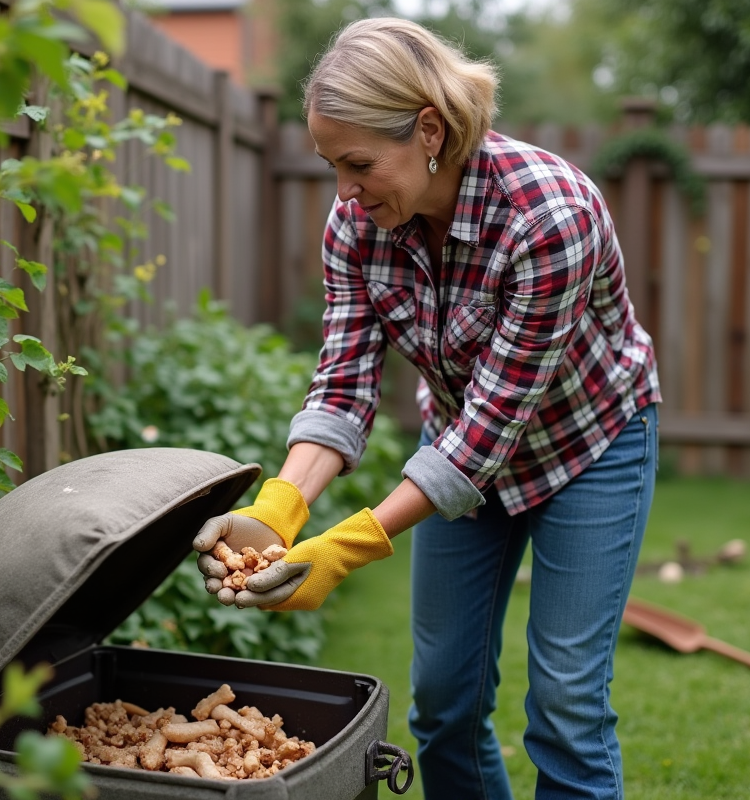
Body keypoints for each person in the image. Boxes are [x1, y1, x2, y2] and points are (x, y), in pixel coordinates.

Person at [192, 16, 661, 800]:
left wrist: (343, 547)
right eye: (330, 165)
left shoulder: (550, 216)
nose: (343, 190)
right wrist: (276, 513)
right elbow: (343, 382)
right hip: (459, 450)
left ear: (430, 129)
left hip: (589, 449)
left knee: (567, 703)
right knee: (443, 704)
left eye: (359, 164)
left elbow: (490, 430)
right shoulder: (359, 226)